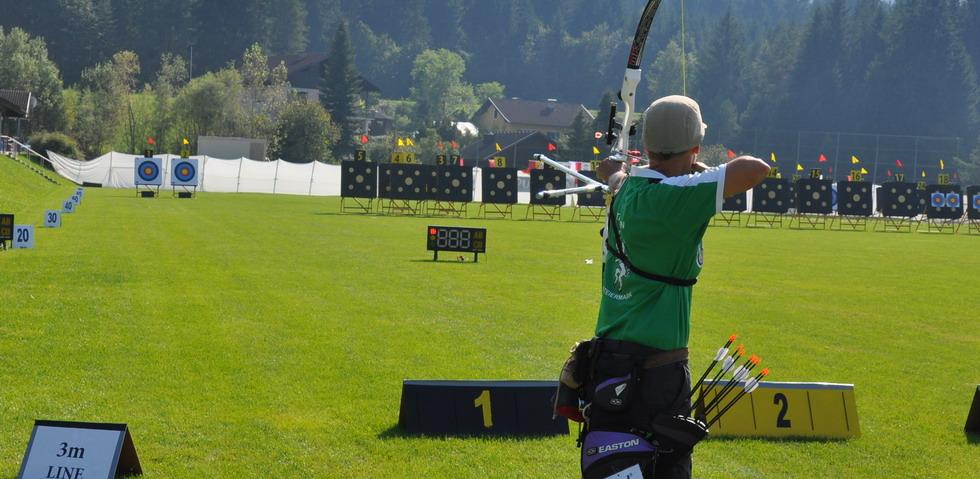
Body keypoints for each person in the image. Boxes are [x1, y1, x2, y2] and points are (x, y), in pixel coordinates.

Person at [584, 95, 769, 479]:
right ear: (696, 147)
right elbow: (755, 169)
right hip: (655, 374)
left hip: (607, 363)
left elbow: (618, 177)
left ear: (647, 147)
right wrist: (701, 172)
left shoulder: (627, 190)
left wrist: (615, 172)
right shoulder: (678, 198)